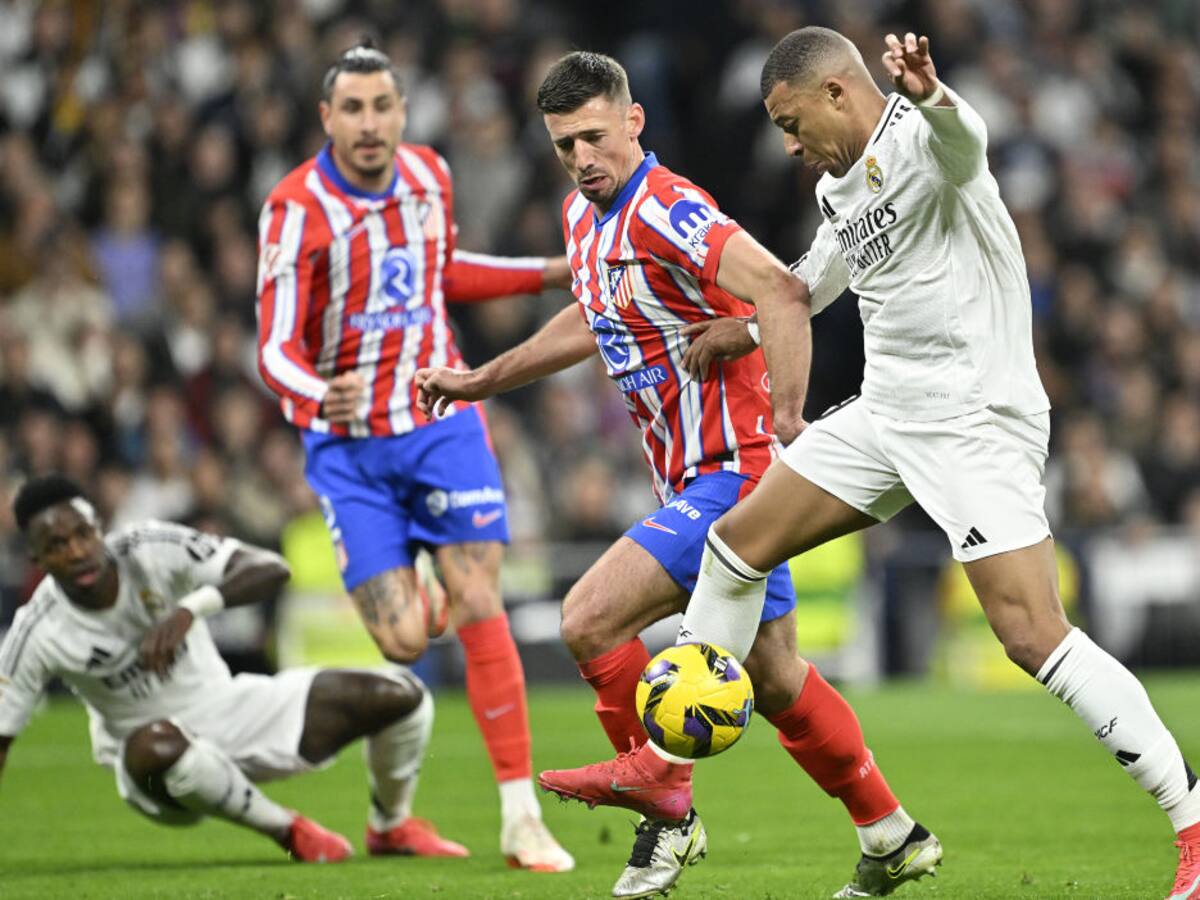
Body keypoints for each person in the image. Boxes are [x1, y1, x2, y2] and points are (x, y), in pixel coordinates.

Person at [551, 27, 1200, 900]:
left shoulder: (930, 143)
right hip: (887, 414)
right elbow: (816, 277)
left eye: (791, 123)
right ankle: (666, 773)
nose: (788, 145)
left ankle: (1192, 817)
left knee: (1030, 635)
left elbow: (965, 141)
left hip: (973, 420)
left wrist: (932, 95)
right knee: (735, 546)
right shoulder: (837, 186)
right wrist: (745, 327)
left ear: (836, 93)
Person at [416, 51, 940, 899]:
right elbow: (592, 315)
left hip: (735, 473)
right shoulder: (583, 217)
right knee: (776, 679)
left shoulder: (667, 207)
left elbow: (780, 289)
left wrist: (789, 422)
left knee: (589, 619)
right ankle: (891, 832)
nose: (583, 158)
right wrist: (483, 378)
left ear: (634, 121)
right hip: (691, 477)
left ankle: (667, 814)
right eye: (564, 145)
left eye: (595, 136)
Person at [254, 41, 573, 872]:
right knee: (401, 642)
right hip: (349, 447)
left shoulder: (430, 175)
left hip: (439, 417)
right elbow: (274, 345)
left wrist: (547, 273)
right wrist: (318, 395)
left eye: (382, 107)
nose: (369, 124)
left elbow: (440, 271)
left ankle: (521, 818)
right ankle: (391, 817)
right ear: (327, 118)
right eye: (352, 109)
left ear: (403, 112)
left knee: (480, 599)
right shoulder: (295, 208)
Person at [0, 474, 467, 862]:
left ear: (99, 529)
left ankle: (390, 826)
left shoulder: (150, 546)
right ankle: (288, 831)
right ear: (36, 558)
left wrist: (190, 609)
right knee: (155, 744)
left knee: (402, 695)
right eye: (57, 545)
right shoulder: (37, 630)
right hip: (151, 767)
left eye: (83, 534)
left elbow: (271, 568)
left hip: (231, 709)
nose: (77, 551)